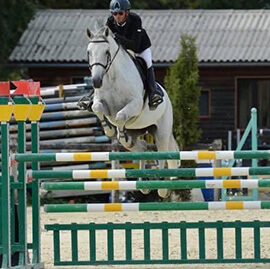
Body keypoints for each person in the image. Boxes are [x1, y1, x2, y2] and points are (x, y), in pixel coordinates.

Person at [107, 0, 163, 110]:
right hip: (122, 50)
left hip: (140, 48)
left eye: (120, 13)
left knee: (147, 63)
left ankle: (153, 93)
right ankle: (94, 94)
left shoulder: (135, 20)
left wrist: (121, 39)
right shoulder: (109, 22)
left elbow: (135, 46)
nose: (117, 17)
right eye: (114, 14)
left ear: (127, 13)